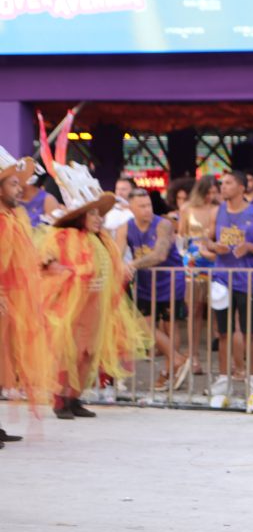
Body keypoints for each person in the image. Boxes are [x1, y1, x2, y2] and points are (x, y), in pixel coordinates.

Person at [39, 161, 149, 419]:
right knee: (69, 352)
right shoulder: (64, 236)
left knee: (88, 353)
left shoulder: (103, 240)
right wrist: (70, 273)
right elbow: (46, 261)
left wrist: (122, 271)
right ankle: (59, 401)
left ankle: (74, 397)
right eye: (94, 214)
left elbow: (111, 265)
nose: (99, 219)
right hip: (72, 305)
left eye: (100, 214)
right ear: (82, 216)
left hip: (96, 305)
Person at [0, 146, 56, 446]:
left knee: (3, 363)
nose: (19, 188)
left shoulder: (13, 217)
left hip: (11, 302)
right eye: (13, 183)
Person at [205, 170, 253, 396]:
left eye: (228, 183)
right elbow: (207, 239)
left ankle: (252, 378)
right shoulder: (217, 211)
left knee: (250, 331)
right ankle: (224, 378)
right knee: (223, 331)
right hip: (221, 278)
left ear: (242, 187)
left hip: (247, 279)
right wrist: (214, 247)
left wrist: (249, 247)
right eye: (222, 183)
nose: (223, 187)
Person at [120, 187, 191, 391]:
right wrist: (119, 267)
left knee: (170, 325)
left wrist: (131, 265)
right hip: (145, 282)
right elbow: (117, 253)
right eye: (141, 206)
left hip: (170, 279)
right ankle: (177, 359)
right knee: (144, 324)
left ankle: (169, 371)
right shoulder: (125, 227)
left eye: (148, 205)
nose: (147, 209)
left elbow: (160, 254)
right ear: (131, 208)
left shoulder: (164, 224)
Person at [177, 175, 220, 375]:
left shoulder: (218, 209)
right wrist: (186, 256)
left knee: (218, 307)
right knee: (194, 309)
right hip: (193, 261)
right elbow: (181, 236)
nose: (211, 196)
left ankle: (224, 356)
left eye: (214, 192)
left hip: (214, 258)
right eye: (208, 192)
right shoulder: (187, 208)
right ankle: (193, 355)